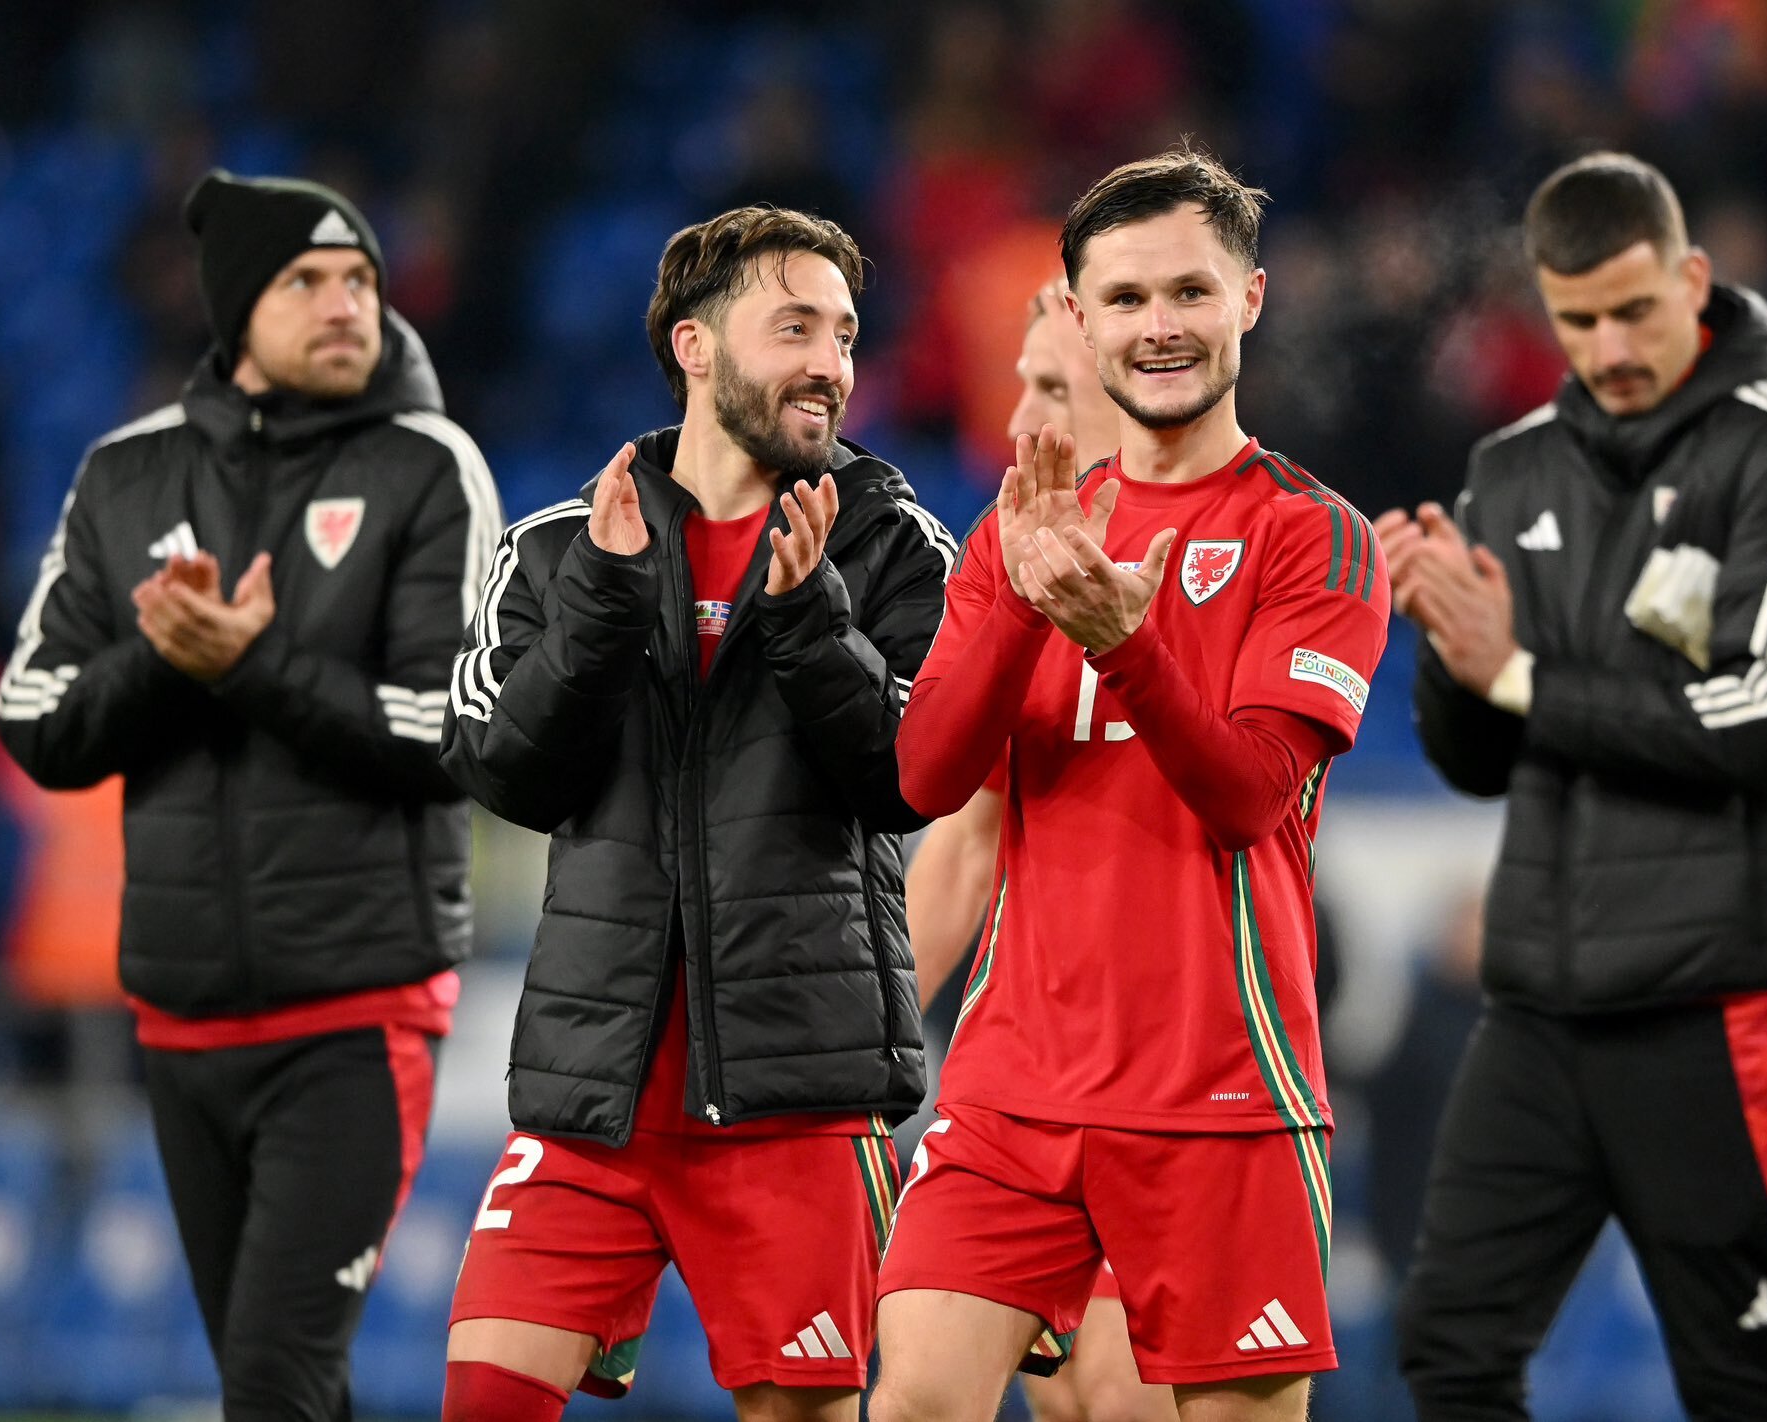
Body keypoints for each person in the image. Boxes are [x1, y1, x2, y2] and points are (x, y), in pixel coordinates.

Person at [1375, 152, 1767, 1421]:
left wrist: (1513, 673)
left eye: (1632, 311)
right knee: (1447, 1344)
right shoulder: (1510, 468)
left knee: (1727, 1376)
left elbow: (1756, 715)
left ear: (1694, 280)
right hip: (1541, 1000)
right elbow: (1472, 761)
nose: (1606, 346)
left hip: (1715, 994)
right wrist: (1454, 651)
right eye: (1576, 320)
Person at [875, 144, 1391, 1422]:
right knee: (914, 1402)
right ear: (1078, 313)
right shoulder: (1019, 525)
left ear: (1249, 299)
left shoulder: (1313, 536)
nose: (1158, 326)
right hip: (1010, 1086)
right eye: (1124, 299)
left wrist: (1121, 640)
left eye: (1188, 292)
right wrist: (1020, 603)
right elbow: (927, 776)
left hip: (1221, 1090)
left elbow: (1248, 795)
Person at [0, 169, 503, 1419]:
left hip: (357, 1011)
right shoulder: (125, 477)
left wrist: (255, 666)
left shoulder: (429, 468)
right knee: (266, 1383)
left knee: (276, 1378)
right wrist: (170, 662)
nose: (346, 305)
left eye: (361, 282)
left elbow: (459, 730)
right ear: (236, 310)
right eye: (306, 282)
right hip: (179, 1016)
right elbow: (36, 722)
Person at [436, 206, 952, 1422]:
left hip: (799, 1102)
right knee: (481, 1400)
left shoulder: (890, 549)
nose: (830, 361)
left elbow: (914, 776)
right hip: (594, 1096)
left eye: (843, 332)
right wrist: (606, 610)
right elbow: (505, 772)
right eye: (794, 327)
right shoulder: (564, 547)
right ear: (696, 346)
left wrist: (812, 621)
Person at [903, 278, 1173, 1422]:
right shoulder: (1001, 553)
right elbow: (960, 841)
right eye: (1020, 384)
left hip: (1175, 1076)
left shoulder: (1231, 553)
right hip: (1016, 1068)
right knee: (919, 1391)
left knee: (1107, 1400)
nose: (1017, 419)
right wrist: (859, 1066)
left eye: (1051, 391)